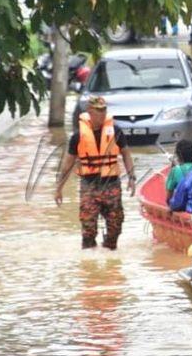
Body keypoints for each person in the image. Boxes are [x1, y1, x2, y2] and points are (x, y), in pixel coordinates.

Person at [55, 96, 136, 249]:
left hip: (111, 184)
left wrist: (132, 178)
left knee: (115, 226)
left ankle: (109, 257)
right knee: (88, 229)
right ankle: (88, 265)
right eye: (98, 110)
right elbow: (67, 164)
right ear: (89, 111)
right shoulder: (78, 136)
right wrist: (59, 189)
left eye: (104, 110)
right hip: (89, 186)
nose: (102, 113)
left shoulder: (116, 132)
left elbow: (126, 154)